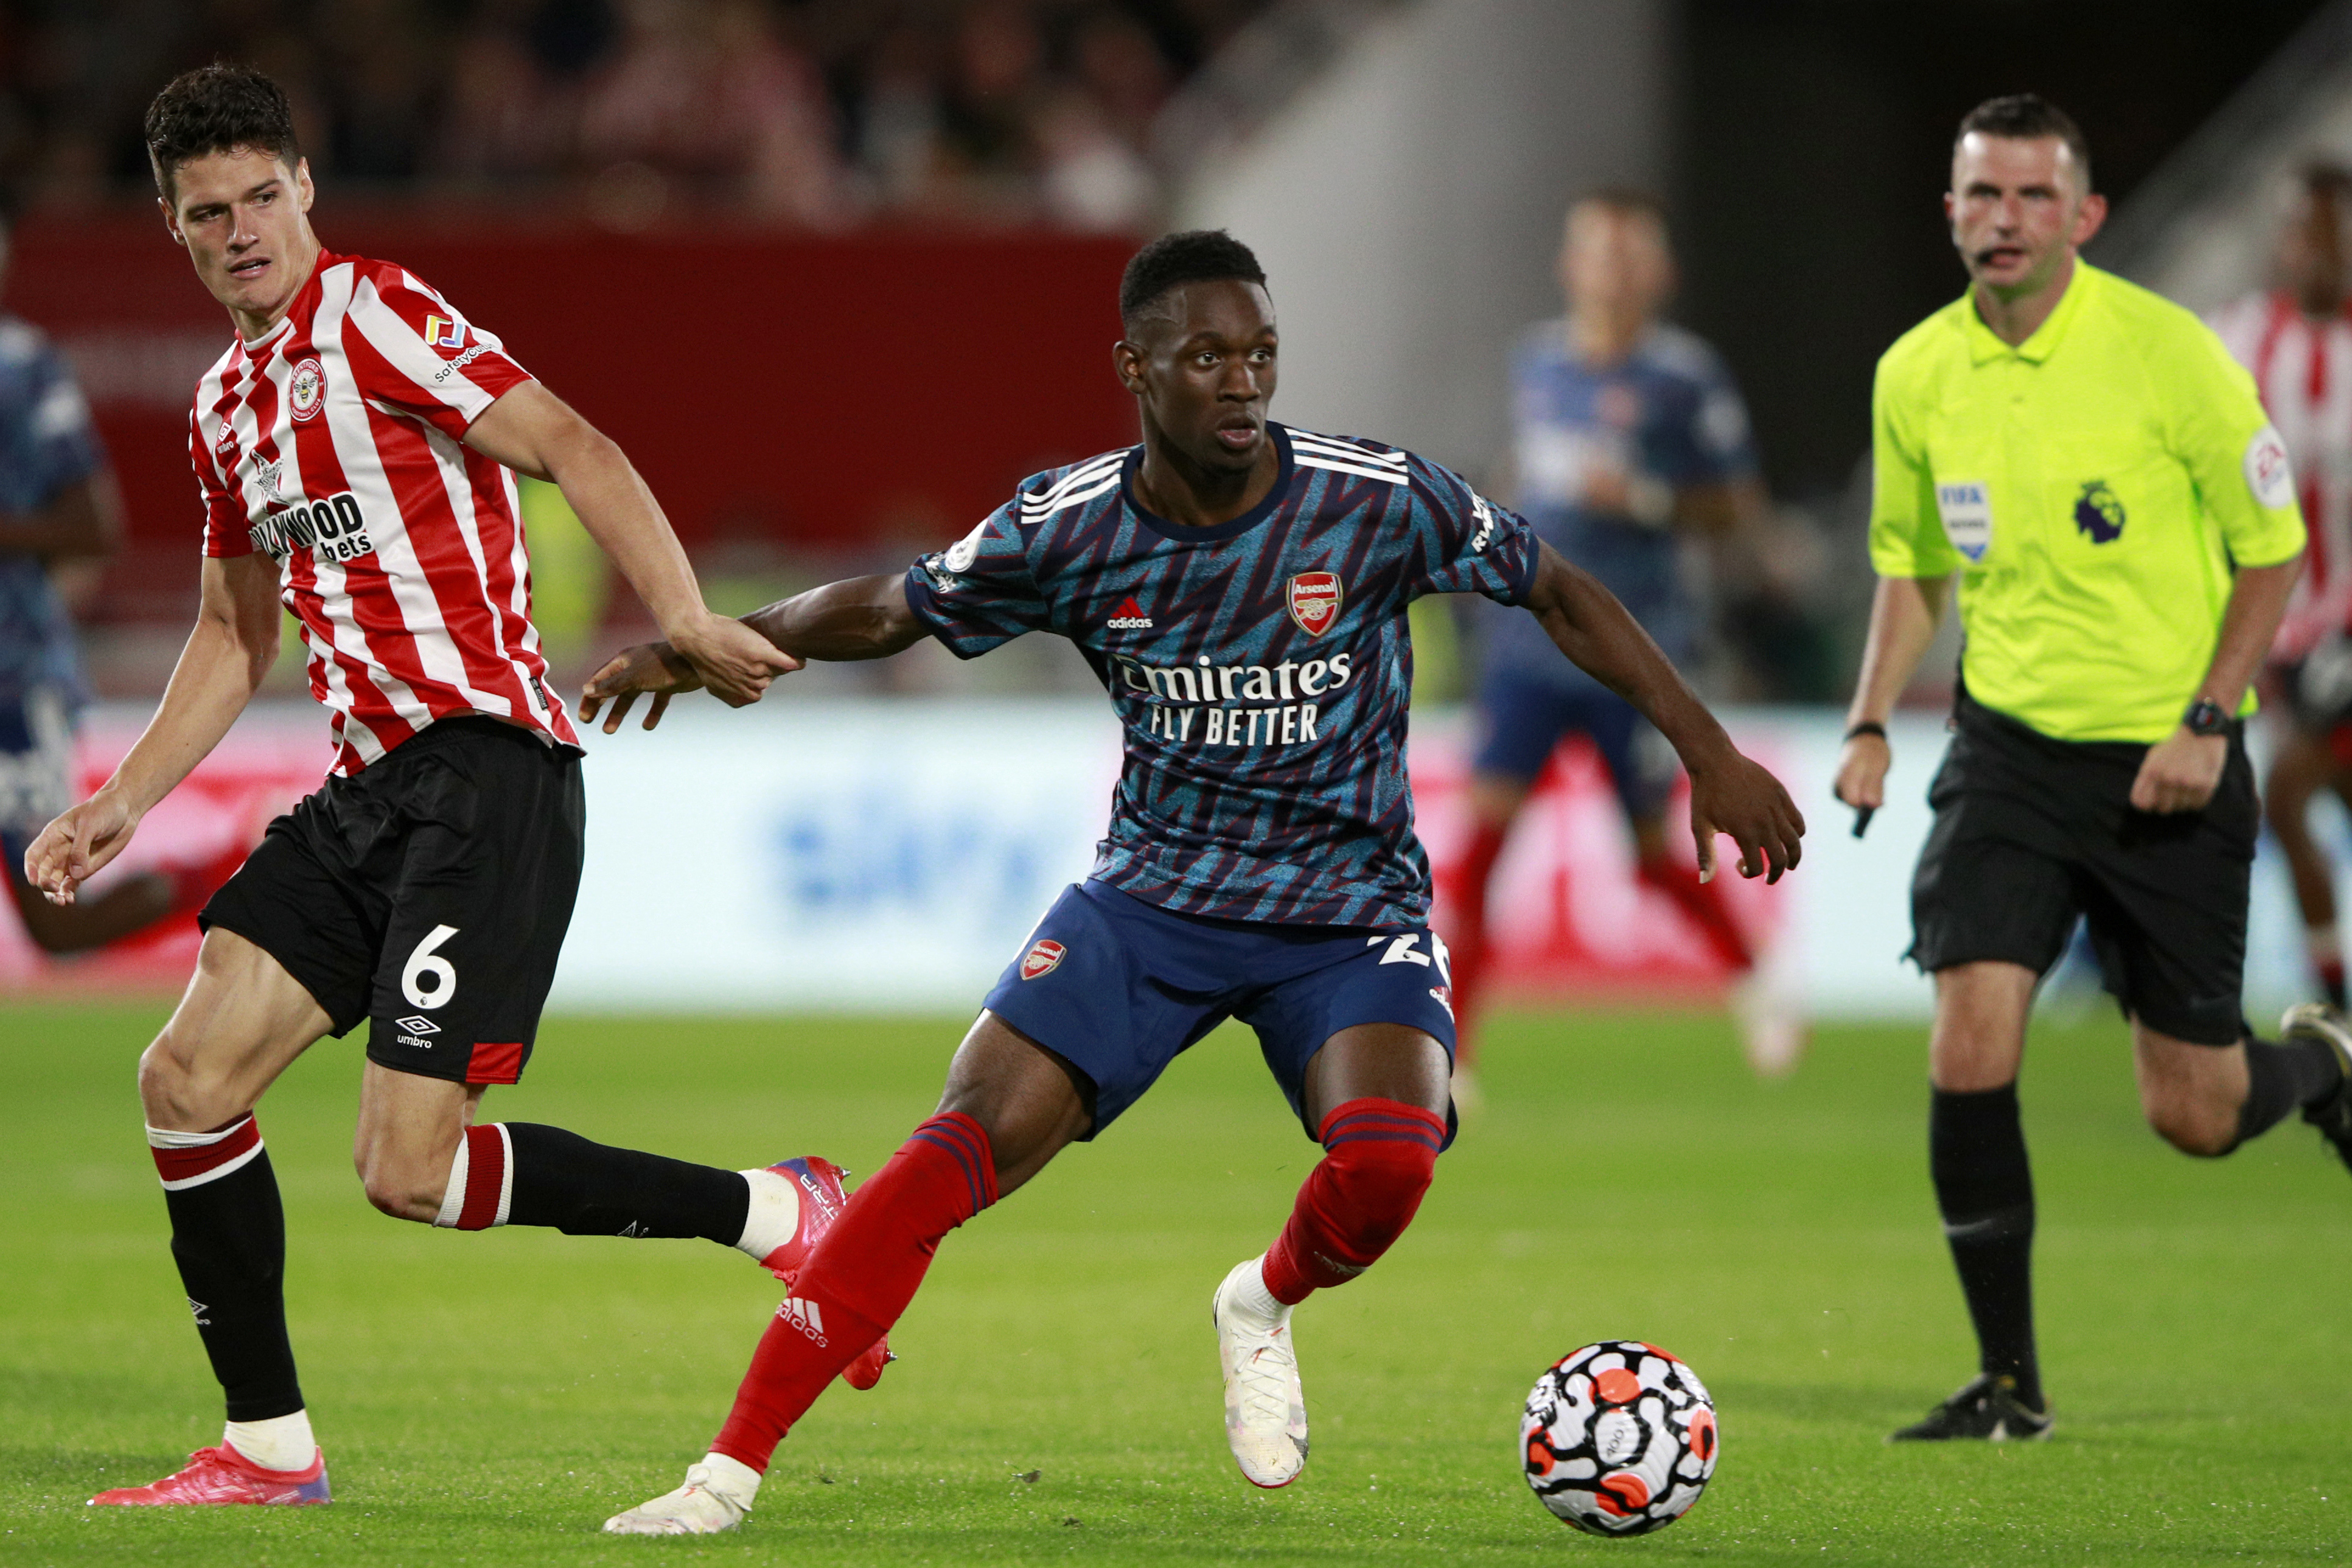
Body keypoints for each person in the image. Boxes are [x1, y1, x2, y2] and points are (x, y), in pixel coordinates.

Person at [579, 228, 1806, 1535]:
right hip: (1154, 903)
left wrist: (1707, 750)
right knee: (950, 1151)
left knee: (1390, 1164)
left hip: (1347, 913)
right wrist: (710, 643)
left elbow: (1555, 589)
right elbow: (897, 604)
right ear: (1136, 366)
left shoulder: (1373, 497)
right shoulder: (1074, 524)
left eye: (1260, 354)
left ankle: (1260, 1300)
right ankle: (726, 1471)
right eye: (1208, 356)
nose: (1242, 382)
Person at [23, 63, 877, 1511]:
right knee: (182, 1081)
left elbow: (571, 445)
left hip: (486, 772)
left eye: (262, 198)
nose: (241, 230)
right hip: (366, 794)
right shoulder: (224, 409)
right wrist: (125, 799)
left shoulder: (380, 314)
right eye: (206, 212)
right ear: (174, 230)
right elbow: (238, 632)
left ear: (308, 190)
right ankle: (267, 1450)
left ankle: (780, 1210)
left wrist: (677, 618)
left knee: (407, 1172)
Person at [1833, 94, 2352, 1444]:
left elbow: (2273, 546)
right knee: (1970, 1038)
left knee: (2194, 1111)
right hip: (2006, 756)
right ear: (1948, 211)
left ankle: (2323, 1073)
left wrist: (2206, 715)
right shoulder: (1915, 375)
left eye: (2029, 197)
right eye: (1979, 197)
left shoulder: (2168, 354)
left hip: (2168, 757)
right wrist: (1871, 719)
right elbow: (1912, 569)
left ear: (2084, 217)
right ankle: (2009, 1383)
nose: (2002, 221)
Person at [1445, 190, 1802, 1082]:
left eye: (1627, 253)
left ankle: (1756, 977)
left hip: (1630, 654)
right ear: (1570, 265)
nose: (1610, 269)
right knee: (1478, 851)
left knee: (1650, 857)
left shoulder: (1684, 379)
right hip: (1528, 648)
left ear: (1659, 273)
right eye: (1596, 251)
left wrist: (1640, 497)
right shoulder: (1536, 363)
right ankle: (1451, 1052)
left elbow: (1738, 508)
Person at [0, 211, 225, 954]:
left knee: (56, 920)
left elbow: (96, 526)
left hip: (10, 682)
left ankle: (236, 870)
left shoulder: (19, 366)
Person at [2210, 165, 2352, 1009]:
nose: (2319, 249)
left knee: (2292, 788)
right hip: (2273, 623)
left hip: (2347, 620)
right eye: (2307, 230)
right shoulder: (2230, 338)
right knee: (2296, 796)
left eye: (2333, 231)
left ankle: (2332, 995)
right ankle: (2332, 989)